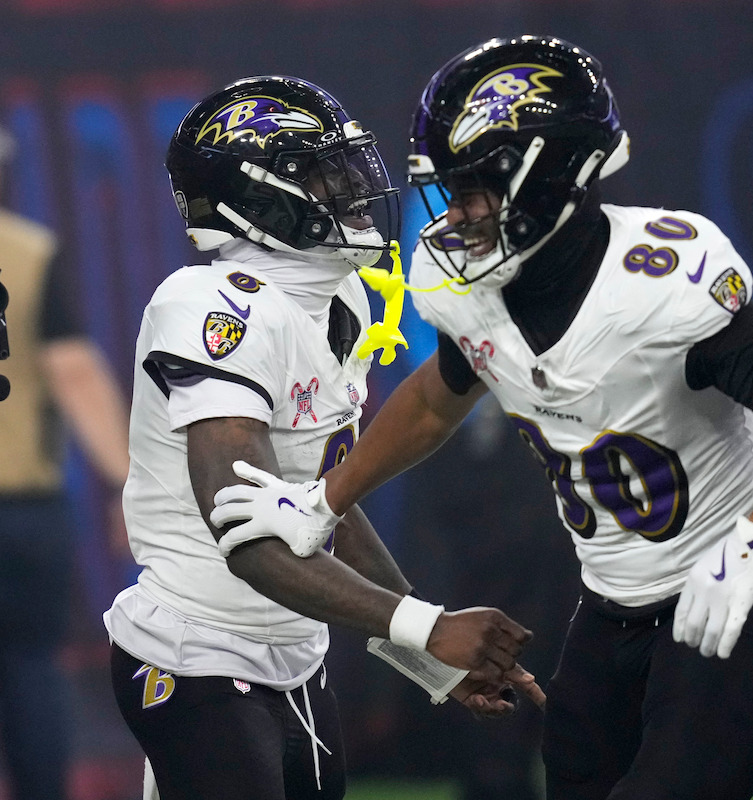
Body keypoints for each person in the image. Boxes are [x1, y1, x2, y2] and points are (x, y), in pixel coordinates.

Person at [211, 36, 753, 800]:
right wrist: (323, 498)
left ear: (547, 175)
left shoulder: (660, 284)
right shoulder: (466, 285)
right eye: (450, 191)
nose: (455, 214)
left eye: (473, 190)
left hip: (742, 590)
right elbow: (440, 394)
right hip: (610, 612)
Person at [101, 75, 536, 800]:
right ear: (254, 194)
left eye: (348, 164)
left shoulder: (343, 297)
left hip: (296, 654)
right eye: (322, 170)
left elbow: (323, 503)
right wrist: (426, 627)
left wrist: (427, 657)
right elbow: (253, 538)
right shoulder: (213, 304)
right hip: (196, 650)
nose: (353, 186)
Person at [0, 123, 131, 800]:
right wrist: (121, 484)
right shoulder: (24, 253)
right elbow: (73, 372)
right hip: (19, 509)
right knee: (28, 671)